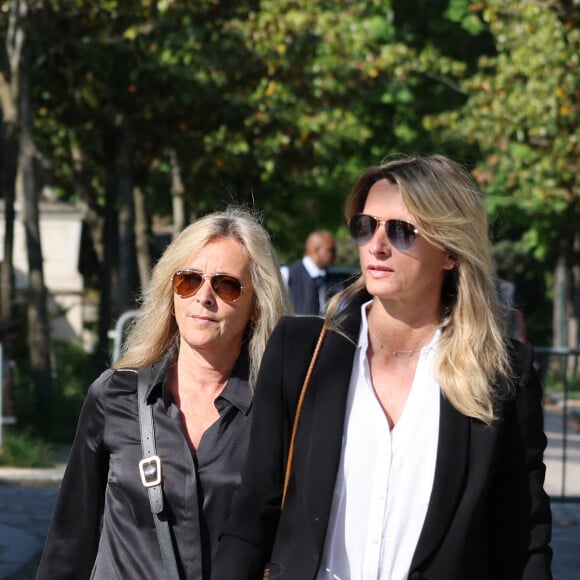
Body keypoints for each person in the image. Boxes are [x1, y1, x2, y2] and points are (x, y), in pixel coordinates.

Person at [213, 155, 553, 579]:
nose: (376, 244)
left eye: (401, 230)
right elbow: (252, 516)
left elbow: (522, 543)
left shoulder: (502, 374)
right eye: (365, 225)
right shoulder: (302, 352)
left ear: (450, 250)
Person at [36, 207, 291, 579]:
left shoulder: (276, 411)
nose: (204, 297)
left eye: (226, 285)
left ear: (255, 306)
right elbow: (70, 541)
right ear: (171, 291)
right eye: (189, 281)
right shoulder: (114, 396)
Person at [280, 230, 337, 315]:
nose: (334, 254)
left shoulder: (331, 279)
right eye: (330, 250)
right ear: (316, 250)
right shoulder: (287, 274)